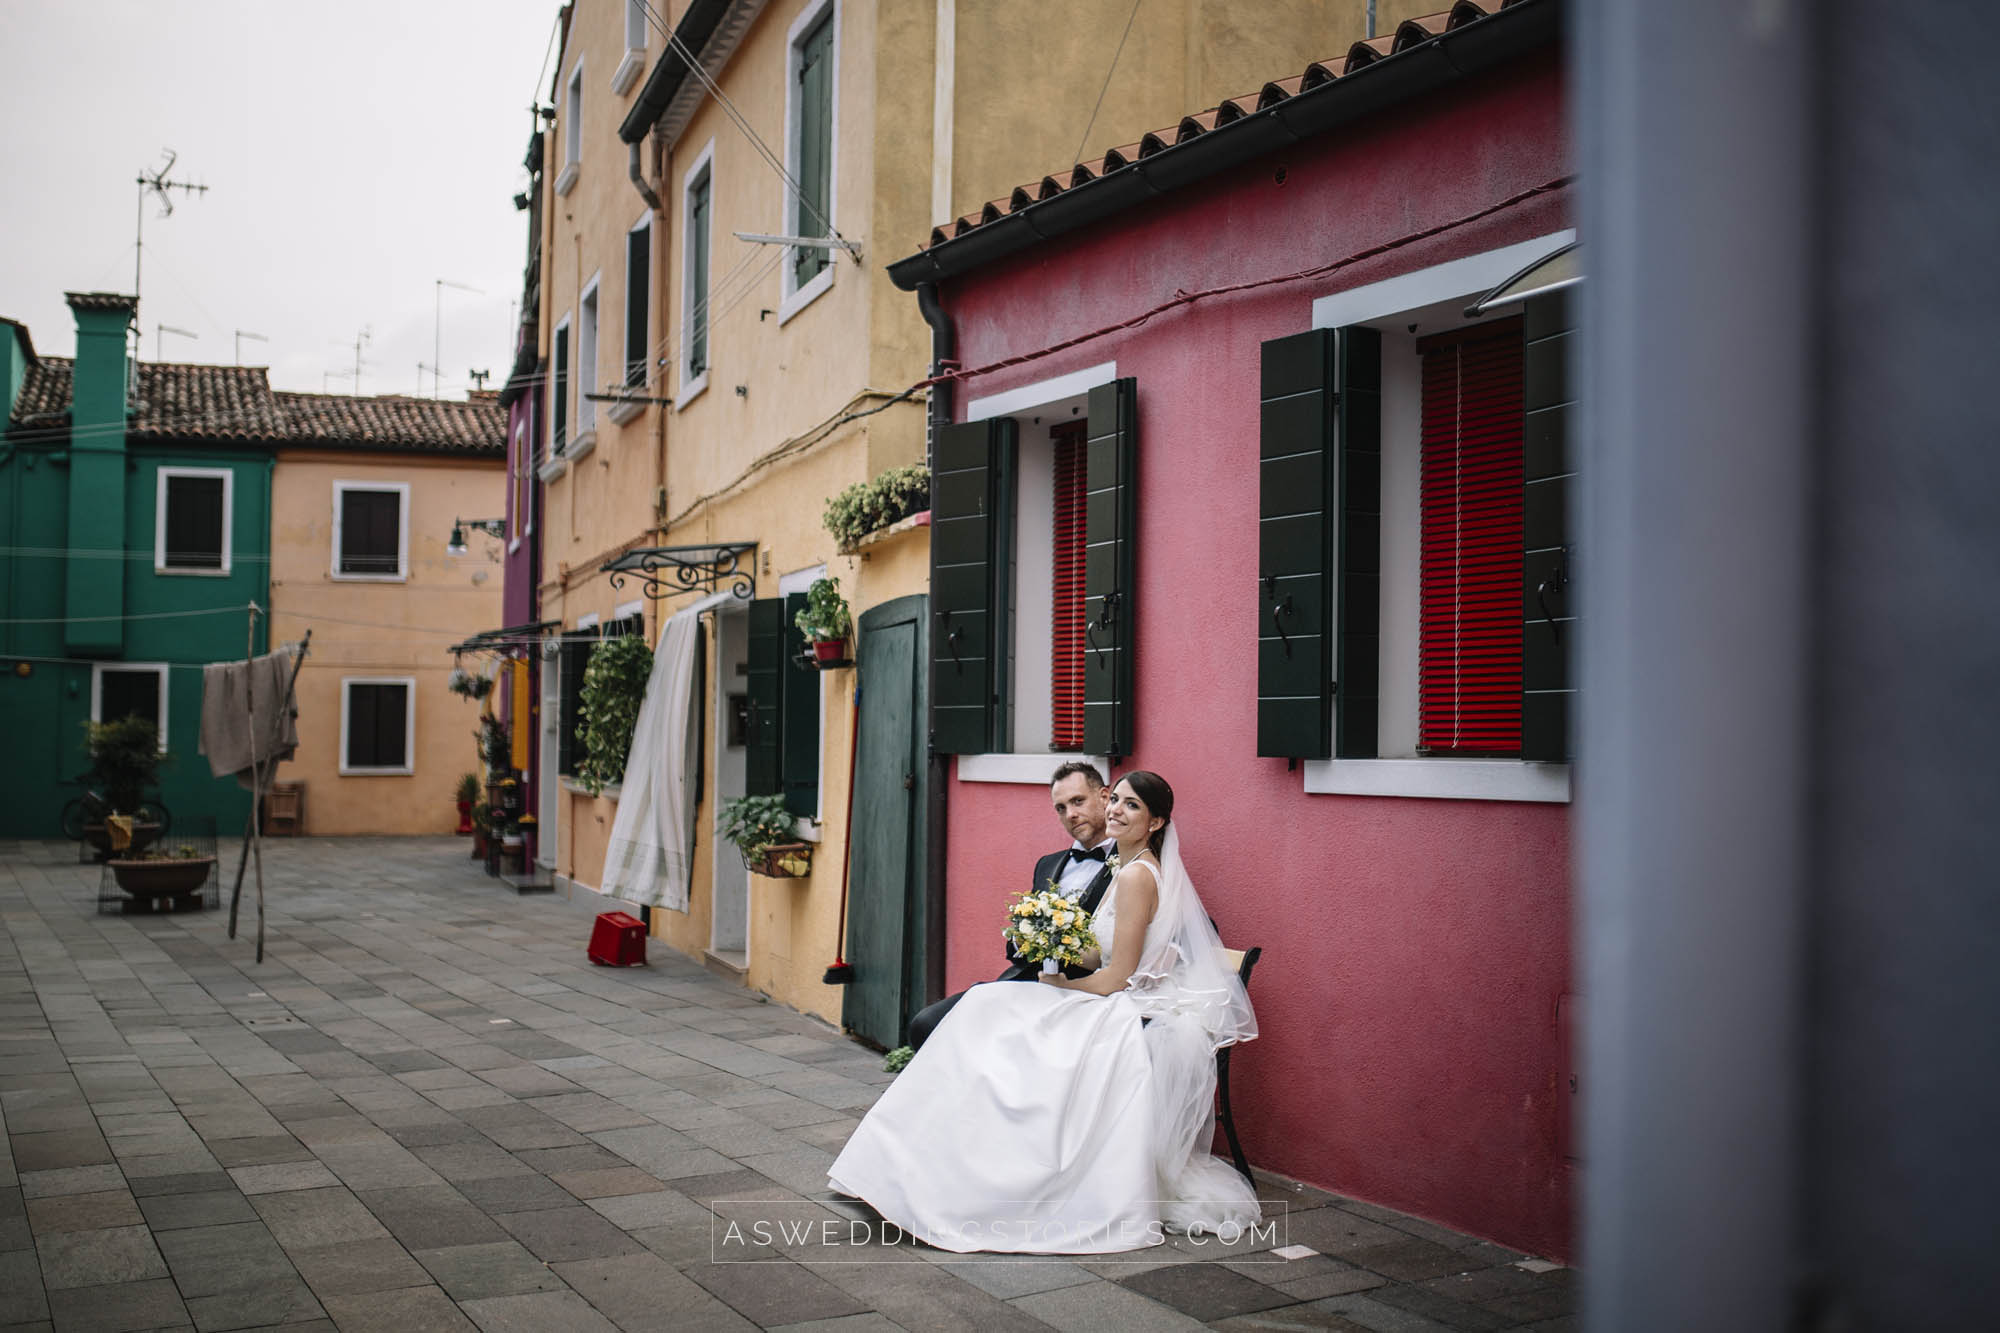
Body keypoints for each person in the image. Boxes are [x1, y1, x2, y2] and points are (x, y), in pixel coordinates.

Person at [829, 771, 1259, 1254]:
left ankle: (950, 1171)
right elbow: (1101, 952)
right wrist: (1051, 940)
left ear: (1156, 822)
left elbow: (1117, 976)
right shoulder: (1124, 866)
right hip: (1098, 991)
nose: (1116, 810)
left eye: (1131, 805)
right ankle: (939, 1162)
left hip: (1115, 1001)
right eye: (1116, 800)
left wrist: (1059, 985)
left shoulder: (1137, 875)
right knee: (984, 1010)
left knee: (989, 1014)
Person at [904, 761, 1119, 1051]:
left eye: (1078, 801)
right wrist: (1024, 937)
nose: (1070, 814)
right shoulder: (1048, 864)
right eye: (1061, 808)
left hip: (1077, 992)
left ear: (1104, 797)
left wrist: (1059, 944)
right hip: (1023, 980)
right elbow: (1015, 946)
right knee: (926, 1024)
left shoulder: (1128, 867)